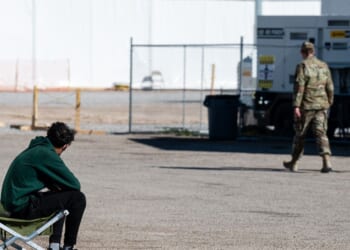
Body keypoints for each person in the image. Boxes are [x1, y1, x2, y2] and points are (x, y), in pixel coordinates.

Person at [1, 122, 86, 250]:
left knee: (62, 195)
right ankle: (68, 247)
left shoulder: (37, 148)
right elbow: (75, 184)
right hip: (20, 208)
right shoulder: (46, 154)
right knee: (77, 198)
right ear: (65, 146)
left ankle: (55, 245)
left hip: (12, 203)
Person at [283, 41, 334, 173]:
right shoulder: (324, 65)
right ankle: (326, 161)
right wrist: (329, 102)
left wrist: (296, 106)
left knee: (300, 134)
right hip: (322, 106)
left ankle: (294, 163)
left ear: (303, 52)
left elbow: (300, 87)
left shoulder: (302, 66)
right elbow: (330, 86)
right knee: (321, 133)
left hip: (306, 105)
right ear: (313, 51)